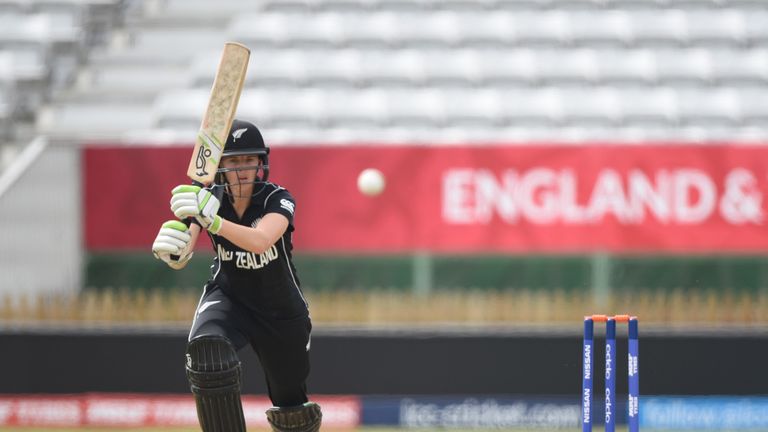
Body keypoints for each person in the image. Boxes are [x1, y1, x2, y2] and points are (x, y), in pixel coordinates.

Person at [151, 119, 322, 432]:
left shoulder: (277, 198)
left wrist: (213, 222)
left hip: (280, 310)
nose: (242, 169)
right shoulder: (206, 198)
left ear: (260, 162)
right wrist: (172, 249)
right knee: (208, 354)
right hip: (229, 297)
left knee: (293, 410)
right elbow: (185, 247)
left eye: (248, 160)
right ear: (221, 165)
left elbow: (261, 241)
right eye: (233, 161)